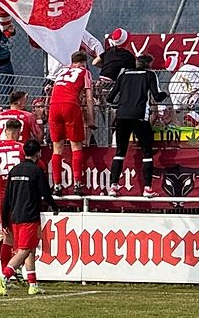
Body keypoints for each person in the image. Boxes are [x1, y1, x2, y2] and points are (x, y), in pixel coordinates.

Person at [0, 139, 59, 297]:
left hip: (15, 215)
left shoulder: (14, 170)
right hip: (29, 215)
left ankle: (32, 284)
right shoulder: (37, 170)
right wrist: (55, 206)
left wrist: (4, 219)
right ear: (38, 153)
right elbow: (45, 192)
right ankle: (4, 277)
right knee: (24, 250)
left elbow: (7, 197)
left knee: (29, 248)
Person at [106, 54, 169, 197]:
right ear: (148, 64)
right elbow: (157, 96)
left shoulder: (124, 75)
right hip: (140, 115)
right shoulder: (150, 75)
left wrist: (120, 105)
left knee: (120, 152)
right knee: (147, 152)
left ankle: (113, 186)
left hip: (122, 115)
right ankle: (147, 188)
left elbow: (110, 97)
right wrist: (166, 94)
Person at [49, 51, 96, 195]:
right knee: (76, 146)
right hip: (70, 105)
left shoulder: (62, 71)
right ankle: (77, 184)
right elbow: (89, 97)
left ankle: (57, 185)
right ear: (84, 63)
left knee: (57, 148)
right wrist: (90, 118)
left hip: (54, 105)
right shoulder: (85, 72)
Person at [0, 119, 25, 276]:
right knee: (21, 236)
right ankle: (14, 272)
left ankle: (5, 273)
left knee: (7, 236)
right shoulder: (21, 148)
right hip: (19, 194)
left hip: (3, 195)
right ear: (17, 132)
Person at [93, 27, 136, 102]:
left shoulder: (109, 51)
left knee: (103, 104)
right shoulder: (128, 56)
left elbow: (94, 62)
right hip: (112, 83)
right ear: (126, 41)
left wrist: (106, 65)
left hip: (100, 81)